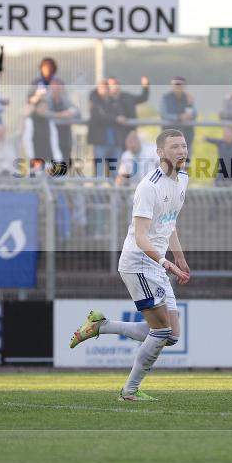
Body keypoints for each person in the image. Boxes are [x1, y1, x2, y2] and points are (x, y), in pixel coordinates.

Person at [68, 129, 191, 402]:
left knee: (171, 335)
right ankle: (130, 390)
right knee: (161, 331)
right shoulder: (149, 186)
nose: (182, 151)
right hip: (139, 262)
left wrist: (179, 257)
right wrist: (165, 262)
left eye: (183, 146)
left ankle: (100, 326)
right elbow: (141, 236)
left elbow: (169, 222)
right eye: (174, 147)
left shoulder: (183, 178)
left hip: (157, 263)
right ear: (160, 152)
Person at [87, 80, 124, 178]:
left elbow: (121, 115)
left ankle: (113, 189)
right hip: (100, 142)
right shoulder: (94, 101)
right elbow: (99, 116)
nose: (105, 90)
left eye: (107, 88)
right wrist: (115, 119)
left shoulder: (114, 101)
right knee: (99, 172)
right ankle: (98, 189)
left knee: (114, 172)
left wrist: (115, 118)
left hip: (115, 142)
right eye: (102, 88)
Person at [23, 97, 64, 174]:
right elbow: (27, 143)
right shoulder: (30, 122)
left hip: (49, 159)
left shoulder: (50, 122)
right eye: (41, 107)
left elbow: (54, 143)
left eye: (45, 107)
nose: (43, 109)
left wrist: (58, 159)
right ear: (36, 108)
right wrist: (33, 159)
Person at [45, 79, 80, 169]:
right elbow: (44, 113)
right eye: (54, 88)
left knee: (65, 159)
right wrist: (59, 115)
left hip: (65, 135)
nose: (56, 90)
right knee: (52, 161)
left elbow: (77, 111)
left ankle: (63, 176)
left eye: (59, 88)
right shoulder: (46, 100)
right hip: (51, 135)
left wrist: (70, 113)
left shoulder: (65, 100)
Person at [108, 76, 150, 143]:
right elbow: (103, 115)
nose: (115, 86)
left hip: (130, 135)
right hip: (113, 138)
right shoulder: (104, 101)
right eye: (113, 84)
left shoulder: (127, 97)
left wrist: (145, 86)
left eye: (117, 83)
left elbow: (143, 98)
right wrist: (116, 118)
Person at [161, 77, 197, 149]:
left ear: (184, 86)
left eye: (180, 84)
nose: (178, 87)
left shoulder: (188, 97)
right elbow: (164, 114)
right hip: (170, 136)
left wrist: (190, 104)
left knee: (186, 155)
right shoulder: (166, 98)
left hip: (186, 136)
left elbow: (193, 114)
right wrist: (178, 117)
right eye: (175, 84)